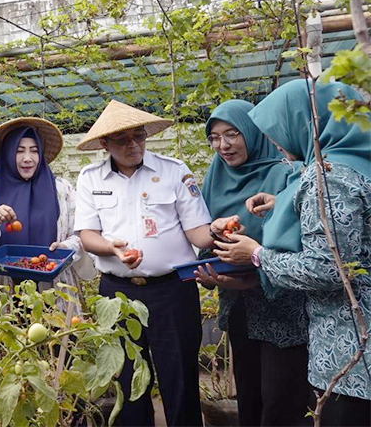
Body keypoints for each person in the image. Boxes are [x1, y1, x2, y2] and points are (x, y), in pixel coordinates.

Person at [216, 79, 371, 425]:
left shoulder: (328, 175)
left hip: (350, 350)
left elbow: (328, 269)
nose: (275, 139)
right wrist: (285, 203)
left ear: (302, 122)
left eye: (277, 127)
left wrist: (256, 255)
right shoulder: (358, 162)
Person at [74, 99, 213, 427]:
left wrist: (221, 231)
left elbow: (198, 233)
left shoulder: (174, 171)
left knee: (179, 378)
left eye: (139, 136)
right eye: (123, 140)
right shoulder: (91, 178)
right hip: (117, 295)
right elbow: (87, 235)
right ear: (105, 144)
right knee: (127, 381)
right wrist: (111, 248)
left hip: (172, 291)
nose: (133, 144)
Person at [195, 99, 310, 426]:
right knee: (249, 397)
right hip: (239, 308)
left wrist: (254, 262)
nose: (223, 145)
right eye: (215, 137)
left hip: (283, 311)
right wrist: (210, 273)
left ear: (253, 132)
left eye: (232, 133)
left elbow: (305, 248)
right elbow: (208, 243)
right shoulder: (215, 177)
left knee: (282, 401)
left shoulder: (288, 175)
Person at [0, 117, 96, 313]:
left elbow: (82, 234)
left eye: (34, 150)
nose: (27, 158)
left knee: (56, 342)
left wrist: (64, 247)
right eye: (19, 151)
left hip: (54, 290)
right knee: (4, 341)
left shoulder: (62, 190)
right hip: (4, 294)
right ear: (7, 155)